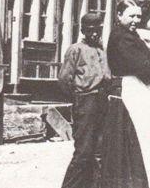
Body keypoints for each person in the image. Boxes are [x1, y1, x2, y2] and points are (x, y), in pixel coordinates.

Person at [104, 0, 150, 188]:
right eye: (131, 16)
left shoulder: (130, 34)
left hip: (138, 92)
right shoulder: (122, 38)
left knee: (138, 146)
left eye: (138, 16)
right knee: (135, 144)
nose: (136, 20)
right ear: (119, 16)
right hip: (132, 94)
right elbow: (141, 68)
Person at [58, 11, 111, 188]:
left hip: (103, 101)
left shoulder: (102, 51)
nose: (94, 34)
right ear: (83, 30)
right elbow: (65, 80)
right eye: (90, 30)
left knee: (99, 151)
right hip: (85, 102)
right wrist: (79, 98)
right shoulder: (76, 50)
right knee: (83, 152)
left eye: (97, 30)